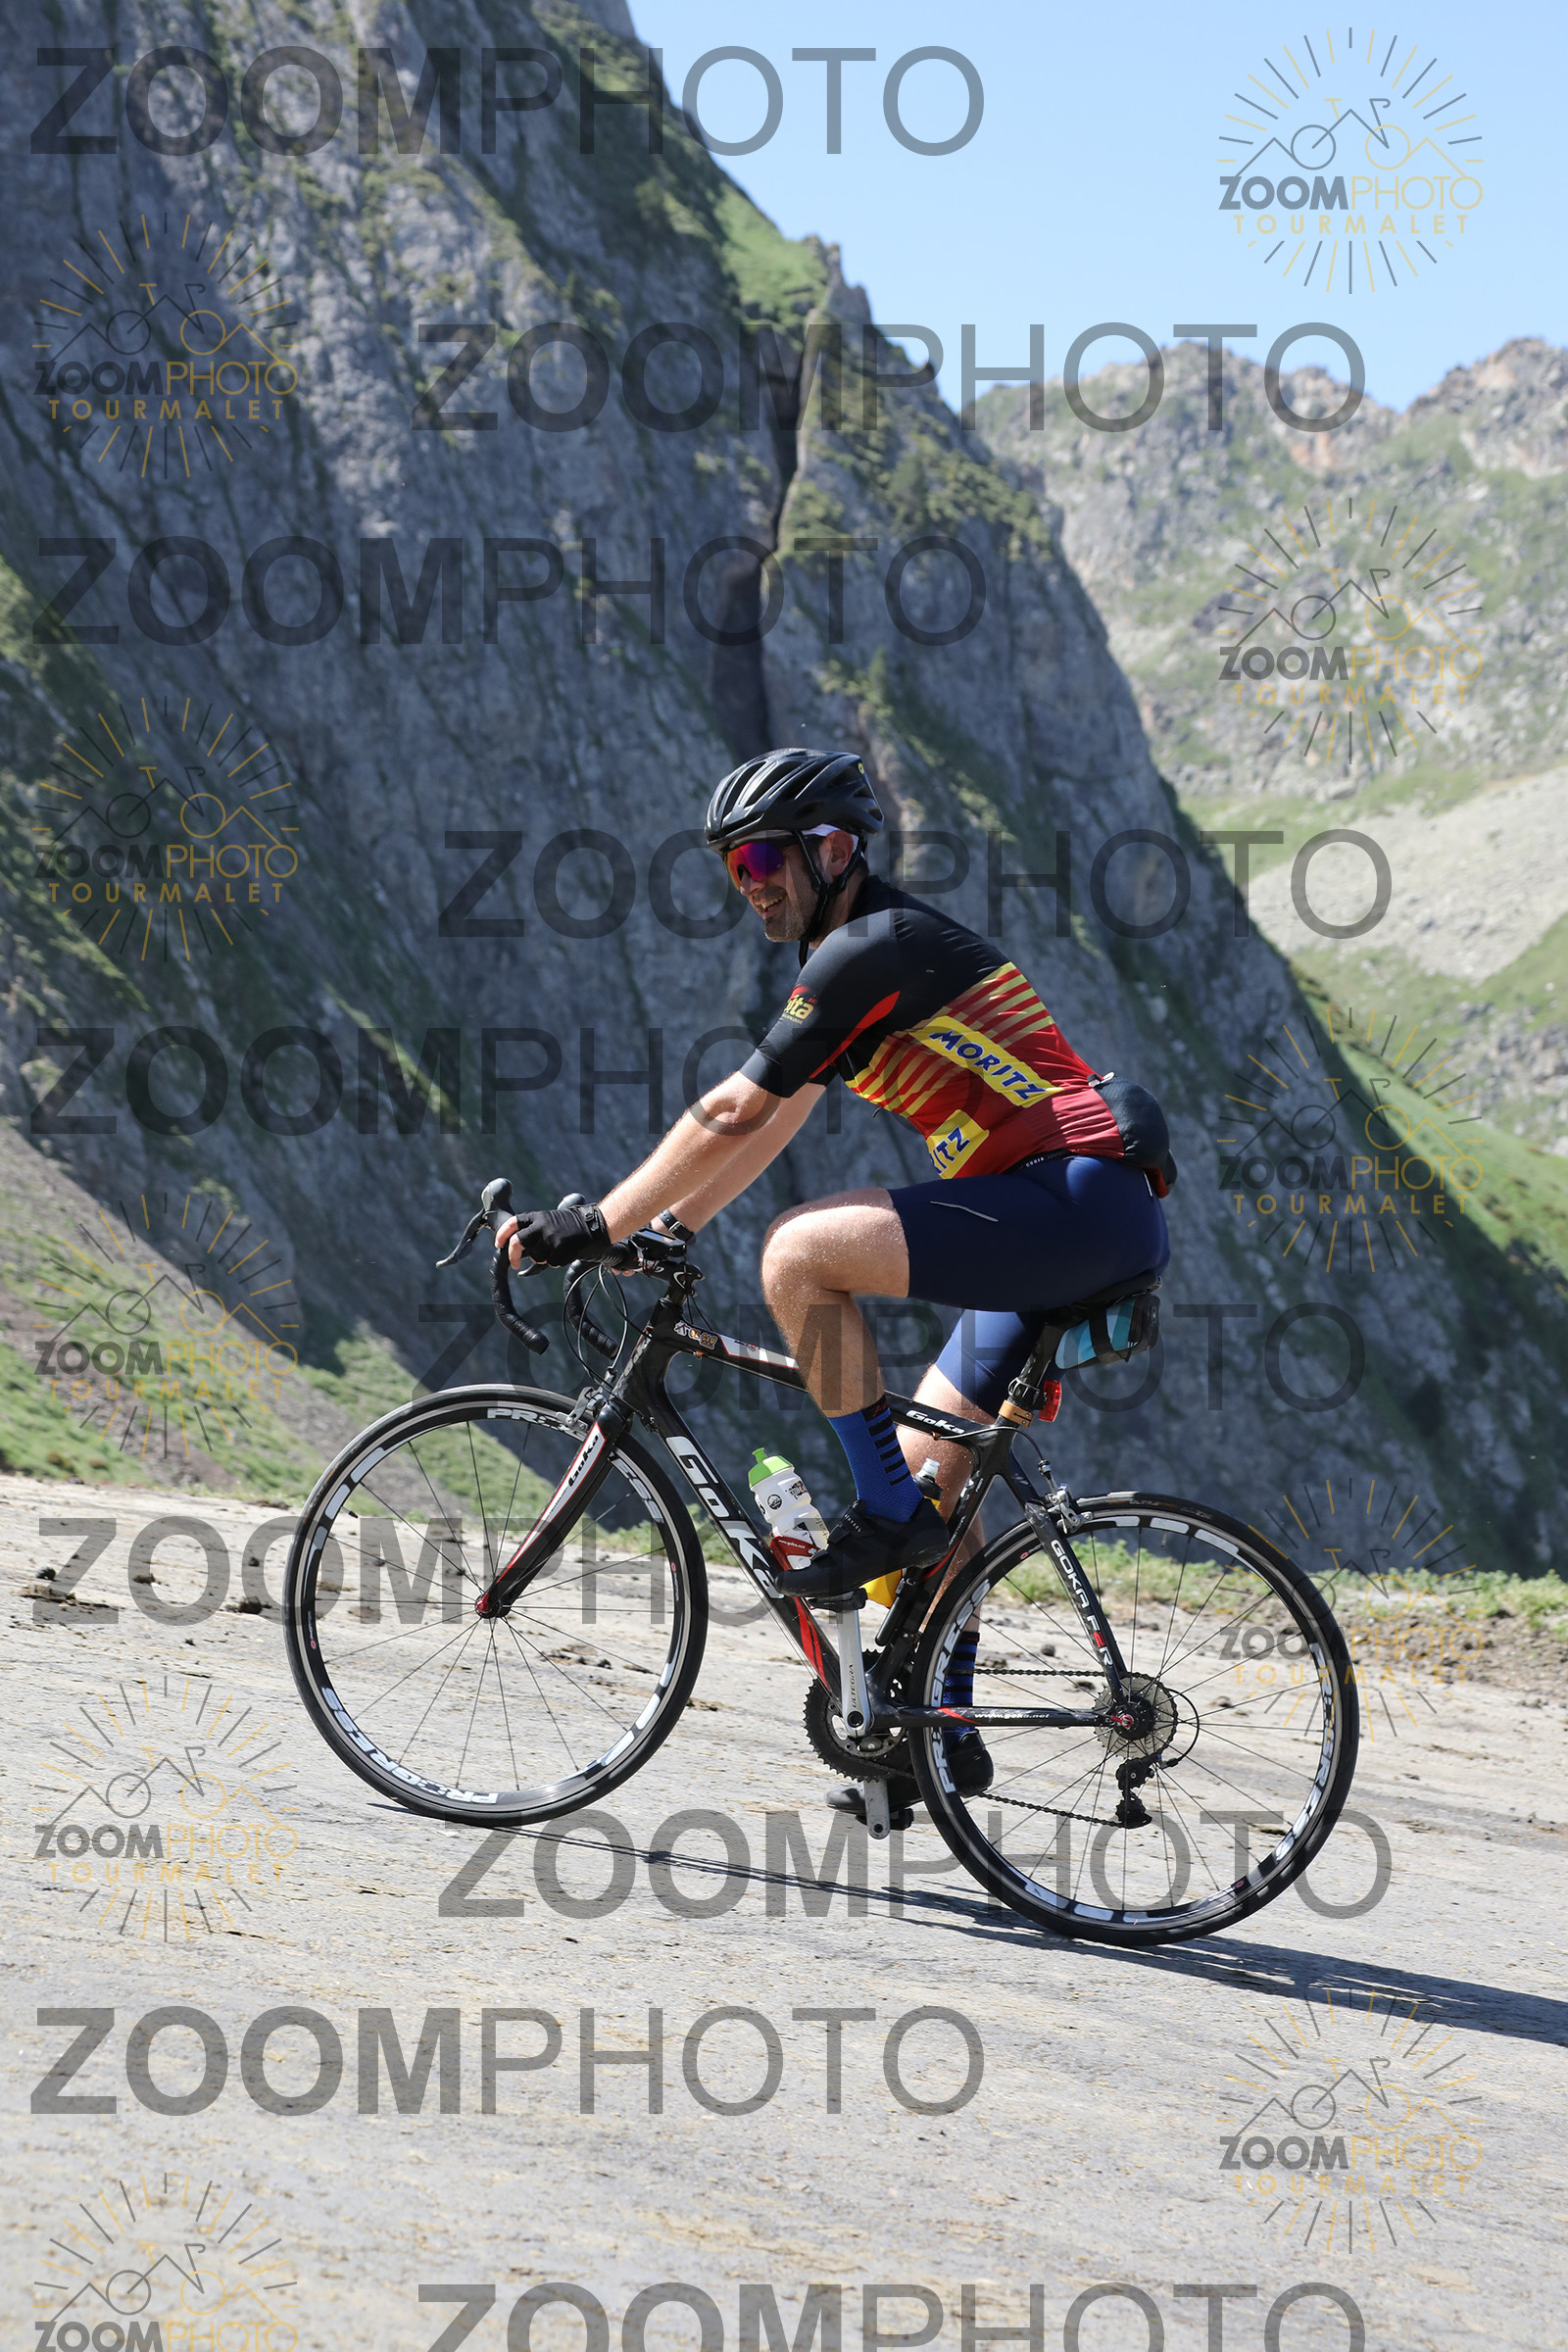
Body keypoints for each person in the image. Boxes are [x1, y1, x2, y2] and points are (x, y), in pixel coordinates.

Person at [496, 748, 1173, 1808]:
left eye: (766, 859)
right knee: (932, 1470)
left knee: (798, 1256)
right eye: (735, 868)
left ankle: (887, 1518)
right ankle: (934, 1742)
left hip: (1072, 1198)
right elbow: (769, 1125)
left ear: (834, 850)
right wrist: (666, 1227)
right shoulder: (856, 962)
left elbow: (734, 1106)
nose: (752, 885)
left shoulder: (871, 947)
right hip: (1075, 1211)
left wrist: (593, 1222)